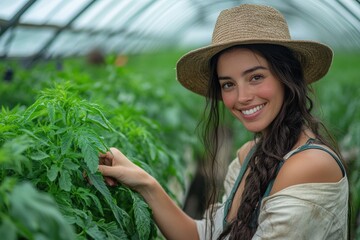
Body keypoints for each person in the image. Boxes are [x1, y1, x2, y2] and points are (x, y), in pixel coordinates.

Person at [98, 4, 349, 240]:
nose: (241, 97)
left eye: (256, 77)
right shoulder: (248, 155)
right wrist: (145, 182)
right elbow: (204, 234)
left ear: (288, 77)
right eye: (228, 84)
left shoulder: (309, 165)